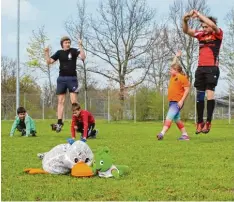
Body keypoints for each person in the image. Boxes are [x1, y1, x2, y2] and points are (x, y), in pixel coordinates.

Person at [182, 10, 223, 134]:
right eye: (202, 26)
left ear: (210, 24)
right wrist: (185, 20)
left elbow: (214, 26)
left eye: (206, 26)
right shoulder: (200, 35)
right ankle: (200, 123)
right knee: (199, 96)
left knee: (209, 95)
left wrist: (198, 14)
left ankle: (208, 122)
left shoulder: (217, 34)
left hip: (212, 68)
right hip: (200, 69)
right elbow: (186, 31)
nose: (204, 28)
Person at [45, 36, 86, 133]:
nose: (68, 44)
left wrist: (80, 45)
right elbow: (49, 61)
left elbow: (83, 57)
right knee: (60, 101)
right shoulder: (59, 53)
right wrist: (46, 52)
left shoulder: (74, 51)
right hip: (61, 79)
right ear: (62, 44)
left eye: (69, 42)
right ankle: (59, 122)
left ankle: (78, 122)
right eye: (66, 42)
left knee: (74, 102)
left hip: (72, 79)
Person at [157, 51, 190, 141]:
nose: (169, 71)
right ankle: (185, 135)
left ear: (176, 70)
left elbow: (187, 90)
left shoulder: (182, 78)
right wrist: (176, 56)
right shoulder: (173, 76)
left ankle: (162, 133)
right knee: (177, 119)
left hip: (177, 102)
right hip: (172, 101)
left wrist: (181, 101)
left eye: (171, 70)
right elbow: (173, 64)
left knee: (169, 117)